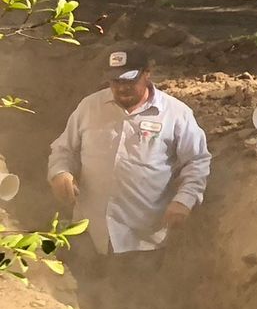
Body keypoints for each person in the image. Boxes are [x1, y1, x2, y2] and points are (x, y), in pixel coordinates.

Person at [48, 45, 210, 257]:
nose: (122, 88)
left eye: (129, 80)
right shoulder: (89, 107)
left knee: (139, 288)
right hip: (89, 233)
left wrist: (184, 200)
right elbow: (63, 149)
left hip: (144, 241)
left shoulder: (175, 114)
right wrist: (60, 173)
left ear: (147, 74)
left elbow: (197, 161)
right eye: (116, 81)